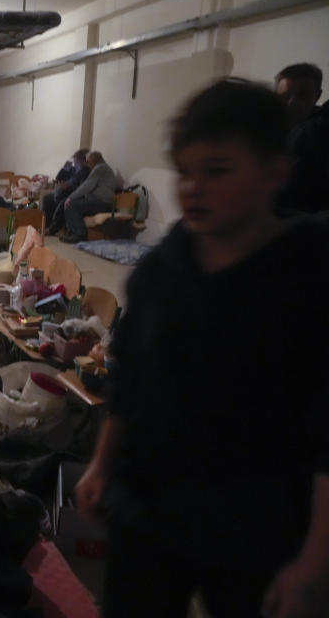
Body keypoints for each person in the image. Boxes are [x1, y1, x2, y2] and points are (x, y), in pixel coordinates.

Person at [74, 79, 329, 618]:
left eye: (217, 171)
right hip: (149, 511)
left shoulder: (307, 277)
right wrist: (101, 465)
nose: (192, 188)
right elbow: (129, 381)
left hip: (256, 529)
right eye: (186, 172)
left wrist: (313, 561)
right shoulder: (166, 268)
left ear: (274, 173)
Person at [274, 63, 329, 214]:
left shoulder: (320, 132)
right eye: (285, 96)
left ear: (317, 96)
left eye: (302, 95)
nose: (292, 102)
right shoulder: (261, 131)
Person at [60, 151, 119, 243]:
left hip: (103, 203)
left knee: (71, 205)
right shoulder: (103, 168)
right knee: (71, 204)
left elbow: (87, 186)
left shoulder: (100, 168)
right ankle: (72, 233)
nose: (88, 164)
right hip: (101, 202)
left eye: (89, 161)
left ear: (95, 160)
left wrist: (70, 197)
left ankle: (80, 235)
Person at [43, 148, 91, 235]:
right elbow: (58, 178)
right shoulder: (73, 170)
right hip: (62, 193)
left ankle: (52, 229)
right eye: (74, 162)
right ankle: (46, 226)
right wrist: (64, 168)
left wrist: (66, 188)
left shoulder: (86, 172)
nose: (75, 165)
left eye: (77, 162)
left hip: (71, 195)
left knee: (63, 203)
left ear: (84, 161)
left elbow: (81, 189)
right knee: (47, 199)